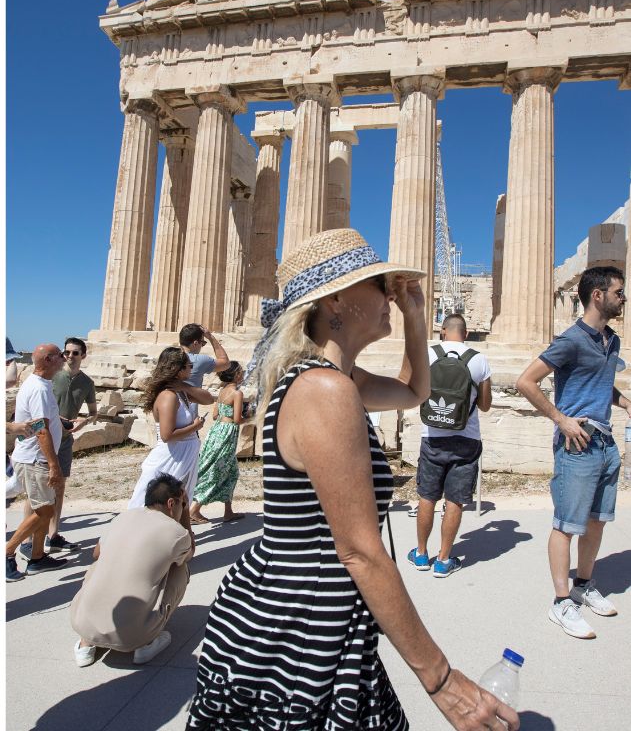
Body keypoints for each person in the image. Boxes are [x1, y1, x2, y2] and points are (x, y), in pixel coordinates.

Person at [187, 228, 517, 730]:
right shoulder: (324, 390)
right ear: (336, 299)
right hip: (299, 627)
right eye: (378, 283)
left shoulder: (333, 381)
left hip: (310, 611)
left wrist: (414, 315)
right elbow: (360, 550)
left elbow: (412, 392)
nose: (389, 291)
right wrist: (444, 683)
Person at [516, 265, 626, 639]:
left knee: (596, 520)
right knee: (566, 525)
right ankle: (561, 602)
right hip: (576, 444)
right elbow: (525, 381)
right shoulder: (570, 340)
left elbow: (600, 381)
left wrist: (623, 400)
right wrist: (560, 419)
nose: (623, 298)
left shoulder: (612, 340)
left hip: (606, 443)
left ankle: (583, 584)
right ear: (598, 296)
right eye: (618, 292)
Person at [70, 475, 192, 668]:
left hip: (81, 623)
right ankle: (147, 642)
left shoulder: (123, 517)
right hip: (132, 636)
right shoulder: (176, 532)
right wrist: (185, 512)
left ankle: (86, 644)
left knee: (98, 564)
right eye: (181, 503)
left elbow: (96, 553)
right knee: (181, 567)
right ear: (171, 503)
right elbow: (190, 553)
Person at [406, 314, 492, 578]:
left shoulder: (429, 355)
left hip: (432, 436)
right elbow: (486, 405)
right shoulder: (479, 359)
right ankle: (443, 560)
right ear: (466, 333)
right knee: (455, 500)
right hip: (466, 438)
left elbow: (414, 390)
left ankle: (421, 554)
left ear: (443, 331)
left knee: (427, 497)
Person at [5, 344, 67, 580]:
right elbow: (41, 429)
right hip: (35, 458)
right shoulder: (39, 389)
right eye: (60, 355)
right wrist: (53, 464)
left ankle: (38, 557)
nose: (64, 359)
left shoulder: (40, 385)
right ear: (50, 360)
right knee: (44, 511)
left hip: (32, 456)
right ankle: (8, 551)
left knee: (45, 507)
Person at [127, 347, 213, 510]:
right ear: (178, 369)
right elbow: (167, 435)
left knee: (180, 500)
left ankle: (184, 534)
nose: (191, 369)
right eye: (189, 366)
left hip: (184, 454)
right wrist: (195, 427)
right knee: (155, 503)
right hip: (172, 456)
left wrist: (184, 386)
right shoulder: (169, 396)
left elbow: (208, 399)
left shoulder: (180, 392)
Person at [41, 337, 98, 552]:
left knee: (60, 486)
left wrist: (84, 421)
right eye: (67, 352)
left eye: (75, 353)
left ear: (83, 355)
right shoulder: (52, 377)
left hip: (65, 439)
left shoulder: (87, 383)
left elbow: (93, 413)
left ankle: (52, 534)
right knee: (38, 486)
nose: (70, 356)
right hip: (45, 437)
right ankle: (29, 542)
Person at [191, 361, 247, 525]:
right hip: (227, 434)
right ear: (236, 375)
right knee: (217, 471)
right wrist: (251, 417)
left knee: (231, 472)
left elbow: (215, 415)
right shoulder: (237, 393)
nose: (243, 375)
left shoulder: (222, 391)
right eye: (241, 372)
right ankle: (193, 510)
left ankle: (228, 512)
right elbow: (237, 420)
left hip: (216, 431)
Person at [178, 323, 230, 388]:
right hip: (190, 397)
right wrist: (210, 337)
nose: (202, 347)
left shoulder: (167, 356)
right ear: (195, 343)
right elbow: (226, 363)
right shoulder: (199, 360)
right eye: (203, 343)